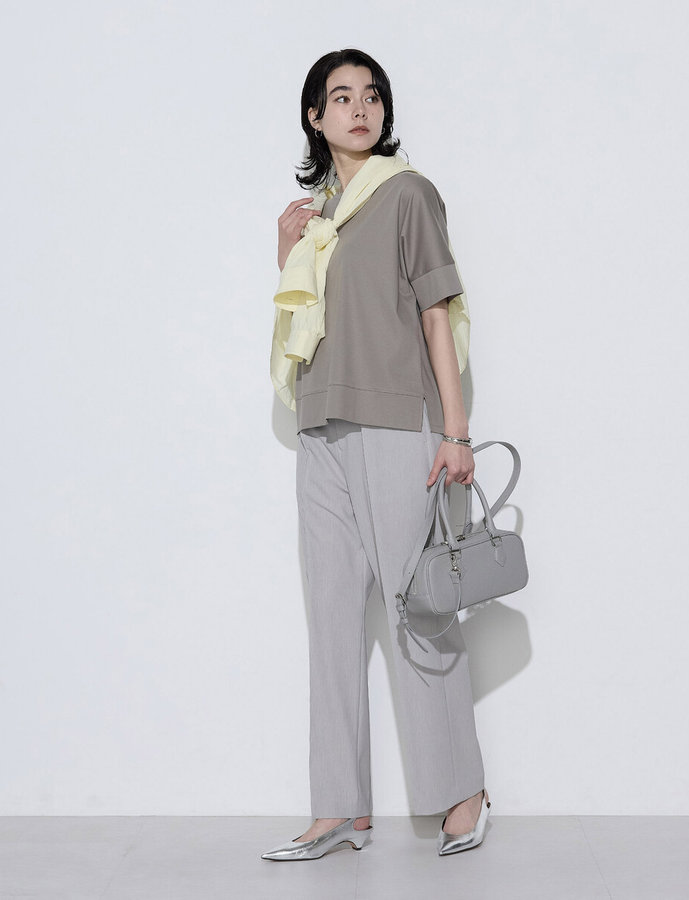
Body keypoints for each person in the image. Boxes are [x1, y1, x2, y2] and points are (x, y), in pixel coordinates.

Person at [262, 48, 491, 861]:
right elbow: (308, 323)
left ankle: (462, 793)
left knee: (413, 612)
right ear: (315, 117)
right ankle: (338, 810)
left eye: (371, 96)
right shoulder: (319, 218)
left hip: (397, 425)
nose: (359, 109)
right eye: (340, 97)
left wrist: (455, 431)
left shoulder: (407, 194)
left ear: (383, 112)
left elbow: (437, 313)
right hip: (320, 428)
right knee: (330, 622)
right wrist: (282, 251)